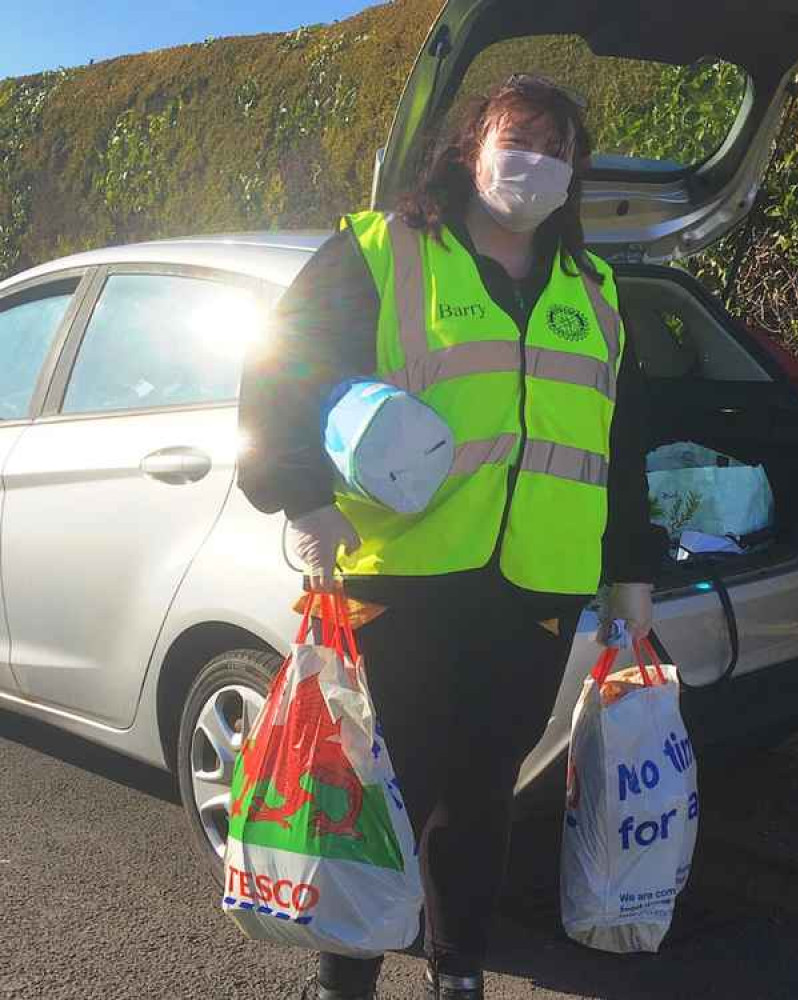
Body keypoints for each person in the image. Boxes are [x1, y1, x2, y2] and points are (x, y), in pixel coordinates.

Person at [237, 73, 659, 1000]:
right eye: (521, 139)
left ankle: (457, 970)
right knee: (380, 795)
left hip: (536, 591)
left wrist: (632, 568)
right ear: (472, 145)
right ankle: (345, 977)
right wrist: (298, 495)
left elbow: (615, 439)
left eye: (559, 149)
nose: (537, 164)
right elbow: (279, 371)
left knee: (480, 796)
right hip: (405, 581)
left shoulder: (593, 287)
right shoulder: (383, 249)